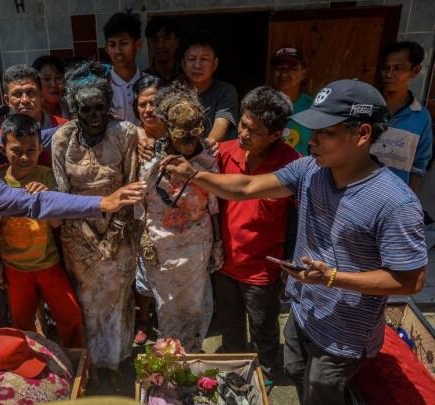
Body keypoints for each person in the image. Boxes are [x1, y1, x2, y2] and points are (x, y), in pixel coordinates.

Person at [161, 79, 427, 404]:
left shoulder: (394, 203)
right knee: (298, 377)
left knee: (321, 393)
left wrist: (333, 278)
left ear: (362, 134)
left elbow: (410, 281)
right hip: (302, 314)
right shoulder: (309, 169)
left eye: (325, 132)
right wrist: (193, 174)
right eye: (313, 131)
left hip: (343, 334)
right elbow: (245, 187)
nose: (312, 141)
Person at [0, 92, 143, 372]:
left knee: (1, 329)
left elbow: (37, 138)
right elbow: (34, 203)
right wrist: (103, 202)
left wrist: (93, 120)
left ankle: (8, 377)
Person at [51, 62, 138, 380]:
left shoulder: (123, 133)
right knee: (88, 303)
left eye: (100, 107)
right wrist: (90, 237)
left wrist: (113, 235)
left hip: (120, 233)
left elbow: (132, 188)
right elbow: (62, 194)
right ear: (74, 108)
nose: (95, 116)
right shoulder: (62, 138)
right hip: (79, 237)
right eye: (86, 109)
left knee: (117, 300)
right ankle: (94, 366)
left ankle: (119, 361)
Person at [216, 87, 300, 383]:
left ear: (276, 135)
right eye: (242, 124)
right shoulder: (223, 152)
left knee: (264, 328)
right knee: (230, 325)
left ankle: (269, 375)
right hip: (225, 263)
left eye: (254, 130)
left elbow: (299, 220)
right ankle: (234, 371)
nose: (243, 134)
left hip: (262, 270)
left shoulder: (293, 164)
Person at [135, 84, 222, 353]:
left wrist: (217, 244)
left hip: (198, 245)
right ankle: (170, 353)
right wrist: (143, 240)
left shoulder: (208, 159)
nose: (189, 138)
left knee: (197, 304)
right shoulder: (150, 161)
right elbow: (140, 206)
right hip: (162, 247)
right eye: (181, 131)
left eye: (195, 130)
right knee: (168, 305)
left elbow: (214, 205)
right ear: (167, 125)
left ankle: (192, 351)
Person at [0, 113, 83, 348]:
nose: (24, 157)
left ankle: (76, 361)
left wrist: (47, 199)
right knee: (22, 322)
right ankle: (29, 370)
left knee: (71, 315)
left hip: (48, 262)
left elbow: (57, 224)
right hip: (14, 268)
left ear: (39, 148)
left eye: (31, 150)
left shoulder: (47, 175)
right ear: (3, 147)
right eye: (16, 150)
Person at [372, 40, 433, 192]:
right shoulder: (365, 105)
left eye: (398, 68)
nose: (389, 74)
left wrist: (409, 203)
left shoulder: (421, 117)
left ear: (415, 70)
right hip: (355, 197)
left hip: (393, 202)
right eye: (386, 68)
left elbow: (418, 167)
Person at [132, 75, 165, 345]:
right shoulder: (131, 135)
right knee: (143, 274)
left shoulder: (180, 135)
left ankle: (167, 323)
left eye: (154, 102)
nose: (148, 109)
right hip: (142, 220)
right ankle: (143, 320)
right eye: (143, 104)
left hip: (174, 221)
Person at [2, 64, 67, 167]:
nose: (25, 100)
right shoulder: (1, 138)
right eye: (17, 94)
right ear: (7, 100)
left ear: (41, 96)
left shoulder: (64, 128)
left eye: (31, 92)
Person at [180, 32, 238, 141]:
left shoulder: (226, 91)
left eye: (204, 59)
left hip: (212, 153)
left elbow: (221, 125)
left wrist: (205, 150)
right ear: (183, 63)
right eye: (192, 59)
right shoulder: (173, 92)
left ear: (215, 64)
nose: (197, 65)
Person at [271, 47, 313, 156]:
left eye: (292, 68)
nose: (284, 73)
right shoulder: (262, 104)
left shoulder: (313, 108)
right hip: (266, 171)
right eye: (279, 68)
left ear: (303, 73)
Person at [103, 11, 144, 125]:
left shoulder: (152, 85)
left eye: (124, 43)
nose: (118, 51)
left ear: (138, 44)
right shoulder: (100, 87)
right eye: (112, 44)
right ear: (106, 48)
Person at [144, 16, 181, 83]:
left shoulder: (189, 77)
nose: (160, 45)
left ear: (177, 43)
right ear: (148, 45)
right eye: (155, 40)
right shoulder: (143, 80)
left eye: (167, 38)